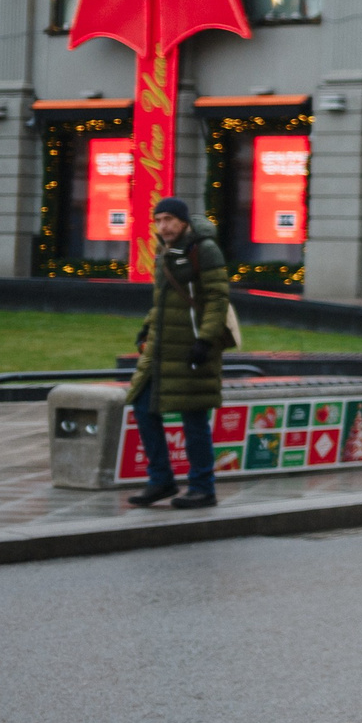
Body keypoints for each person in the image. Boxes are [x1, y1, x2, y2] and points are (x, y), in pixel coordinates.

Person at [125, 197, 230, 510]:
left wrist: (206, 341)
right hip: (160, 348)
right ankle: (161, 479)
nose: (163, 226)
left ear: (183, 221)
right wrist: (147, 328)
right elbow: (163, 301)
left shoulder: (204, 249)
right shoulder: (164, 250)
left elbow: (216, 299)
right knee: (143, 406)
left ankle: (202, 487)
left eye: (169, 219)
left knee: (193, 417)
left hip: (192, 347)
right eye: (158, 220)